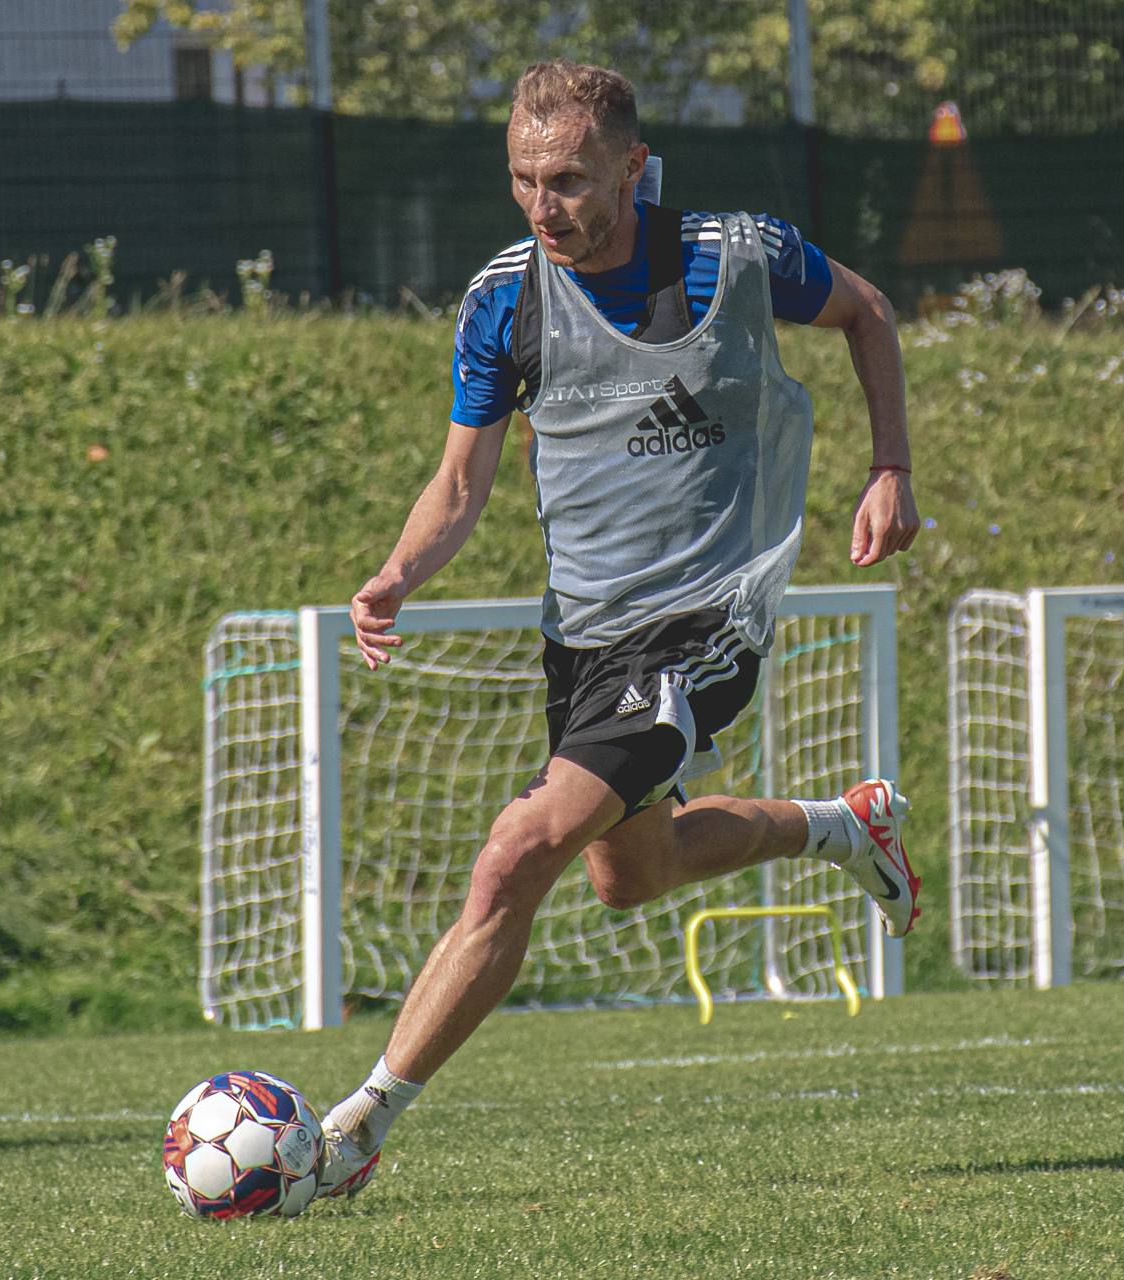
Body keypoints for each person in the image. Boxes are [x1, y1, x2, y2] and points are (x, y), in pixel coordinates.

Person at [314, 60, 922, 1200]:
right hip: (584, 639)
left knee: (515, 854)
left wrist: (889, 464)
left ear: (634, 169)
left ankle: (353, 1131)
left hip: (708, 620)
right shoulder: (504, 300)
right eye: (523, 179)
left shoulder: (738, 255)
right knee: (630, 877)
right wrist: (398, 571)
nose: (543, 205)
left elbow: (868, 310)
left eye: (569, 180)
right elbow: (460, 483)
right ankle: (844, 826)